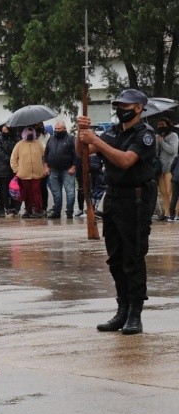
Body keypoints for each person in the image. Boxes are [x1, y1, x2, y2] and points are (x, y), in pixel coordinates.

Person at [77, 89, 156, 335]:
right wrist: (81, 134)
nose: (121, 109)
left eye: (126, 105)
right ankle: (121, 309)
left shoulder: (144, 135)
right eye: (118, 104)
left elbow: (125, 161)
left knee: (133, 256)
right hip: (114, 197)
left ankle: (135, 313)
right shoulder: (113, 132)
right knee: (115, 258)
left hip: (136, 198)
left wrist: (96, 141)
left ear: (139, 108)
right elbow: (82, 153)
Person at [44, 121, 78, 219]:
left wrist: (74, 167)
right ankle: (57, 212)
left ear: (64, 129)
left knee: (70, 192)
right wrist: (46, 166)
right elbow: (46, 154)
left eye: (59, 129)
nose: (57, 131)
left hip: (68, 170)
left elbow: (77, 155)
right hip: (53, 170)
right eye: (56, 129)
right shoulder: (51, 139)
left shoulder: (71, 139)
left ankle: (69, 212)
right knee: (56, 193)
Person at [10, 127, 46, 218]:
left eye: (31, 133)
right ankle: (28, 211)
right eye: (28, 133)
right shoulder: (19, 144)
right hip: (23, 174)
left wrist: (44, 168)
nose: (30, 134)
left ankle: (38, 210)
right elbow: (13, 159)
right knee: (27, 193)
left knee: (36, 192)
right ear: (24, 134)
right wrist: (17, 170)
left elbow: (44, 157)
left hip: (37, 174)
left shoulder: (38, 144)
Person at [155, 117, 178, 220]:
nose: (160, 126)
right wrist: (157, 142)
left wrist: (162, 142)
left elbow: (173, 150)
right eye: (159, 125)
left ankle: (176, 213)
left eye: (162, 124)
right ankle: (167, 213)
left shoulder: (173, 136)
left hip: (170, 168)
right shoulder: (157, 136)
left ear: (168, 125)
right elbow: (155, 152)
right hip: (160, 169)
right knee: (163, 192)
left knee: (171, 192)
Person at [0, 125, 18, 216]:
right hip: (2, 169)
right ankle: (5, 207)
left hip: (13, 168)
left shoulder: (14, 139)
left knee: (14, 188)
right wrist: (9, 159)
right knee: (3, 190)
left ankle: (13, 207)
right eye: (3, 130)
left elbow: (16, 151)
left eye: (6, 130)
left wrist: (13, 160)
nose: (5, 132)